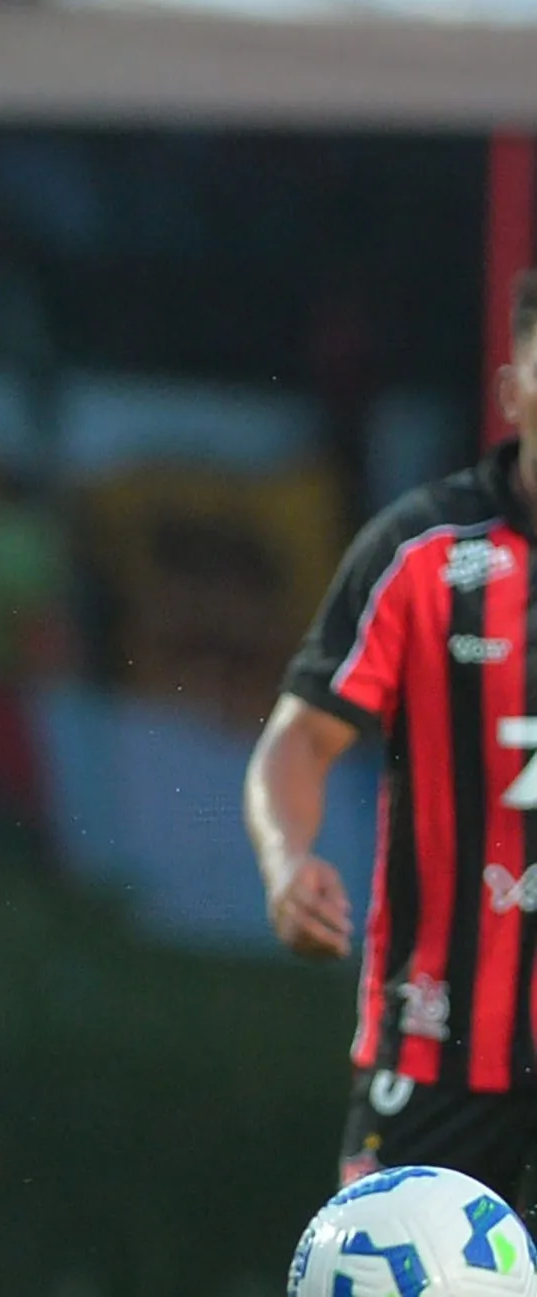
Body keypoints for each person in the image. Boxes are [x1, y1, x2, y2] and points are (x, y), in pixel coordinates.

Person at [248, 269, 537, 1220]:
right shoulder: (420, 552)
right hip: (436, 1045)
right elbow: (299, 739)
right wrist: (287, 862)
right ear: (512, 392)